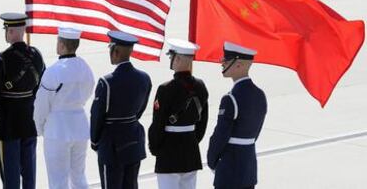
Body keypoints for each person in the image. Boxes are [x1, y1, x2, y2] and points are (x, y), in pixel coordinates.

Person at [0, 13, 45, 189]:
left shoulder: (2, 58)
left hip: (9, 122)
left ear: (11, 32)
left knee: (10, 177)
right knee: (29, 174)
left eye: (6, 30)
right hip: (29, 118)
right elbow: (41, 86)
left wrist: (4, 107)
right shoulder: (36, 55)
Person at [34, 27, 95, 189]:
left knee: (58, 181)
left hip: (57, 130)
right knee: (79, 177)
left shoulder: (53, 71)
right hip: (80, 127)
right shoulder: (85, 67)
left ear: (61, 45)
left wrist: (40, 127)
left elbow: (41, 105)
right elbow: (89, 90)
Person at [90, 30, 152, 189]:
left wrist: (95, 142)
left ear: (115, 51)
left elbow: (97, 116)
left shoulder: (107, 82)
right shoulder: (144, 78)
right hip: (133, 140)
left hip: (111, 145)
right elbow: (140, 109)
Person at [148, 38, 209, 189]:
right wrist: (192, 140)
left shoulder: (166, 89)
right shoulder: (201, 86)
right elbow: (202, 122)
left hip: (169, 152)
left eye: (172, 57)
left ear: (179, 59)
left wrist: (155, 148)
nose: (171, 60)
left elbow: (158, 123)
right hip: (191, 150)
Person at [207, 41, 267, 189]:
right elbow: (256, 133)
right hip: (248, 166)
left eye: (226, 60)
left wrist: (212, 160)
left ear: (239, 64)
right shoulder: (260, 95)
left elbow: (220, 135)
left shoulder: (231, 98)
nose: (222, 63)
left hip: (229, 167)